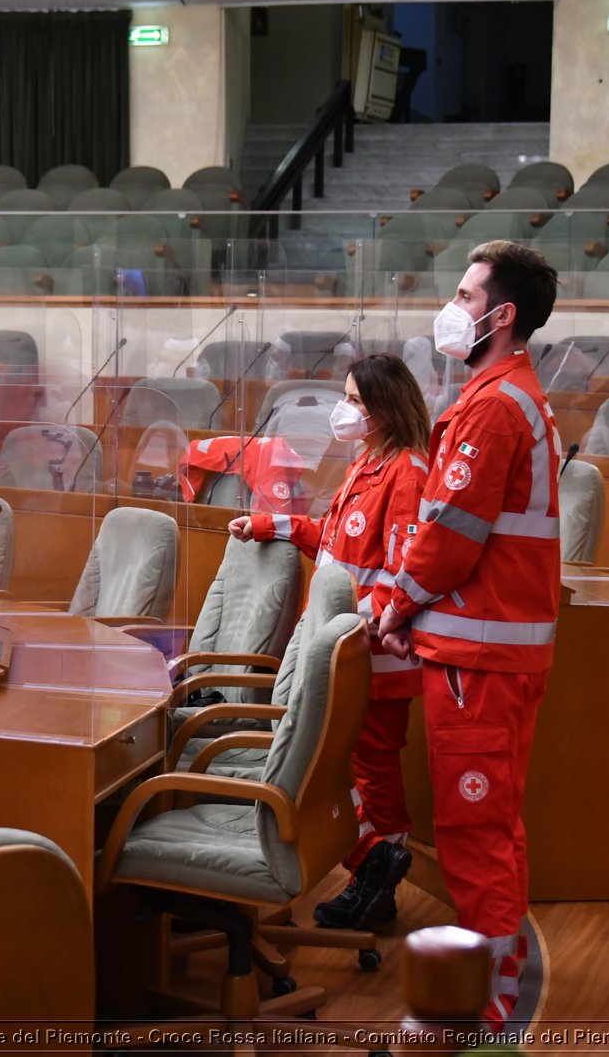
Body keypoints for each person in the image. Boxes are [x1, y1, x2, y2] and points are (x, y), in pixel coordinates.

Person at [375, 240, 561, 1029]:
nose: (450, 307)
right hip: (488, 655)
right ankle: (502, 973)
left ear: (501, 313)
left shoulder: (492, 404)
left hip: (479, 660)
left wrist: (394, 606)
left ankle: (486, 1007)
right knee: (492, 826)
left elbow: (449, 532)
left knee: (475, 831)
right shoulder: (512, 393)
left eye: (463, 293)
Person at [227, 353, 433, 930]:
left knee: (369, 771)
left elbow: (402, 575)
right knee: (340, 766)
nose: (344, 411)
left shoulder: (409, 471)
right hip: (342, 650)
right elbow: (336, 544)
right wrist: (270, 524)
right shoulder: (369, 462)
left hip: (371, 654)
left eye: (355, 401)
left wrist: (348, 630)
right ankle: (374, 871)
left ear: (386, 407)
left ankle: (377, 877)